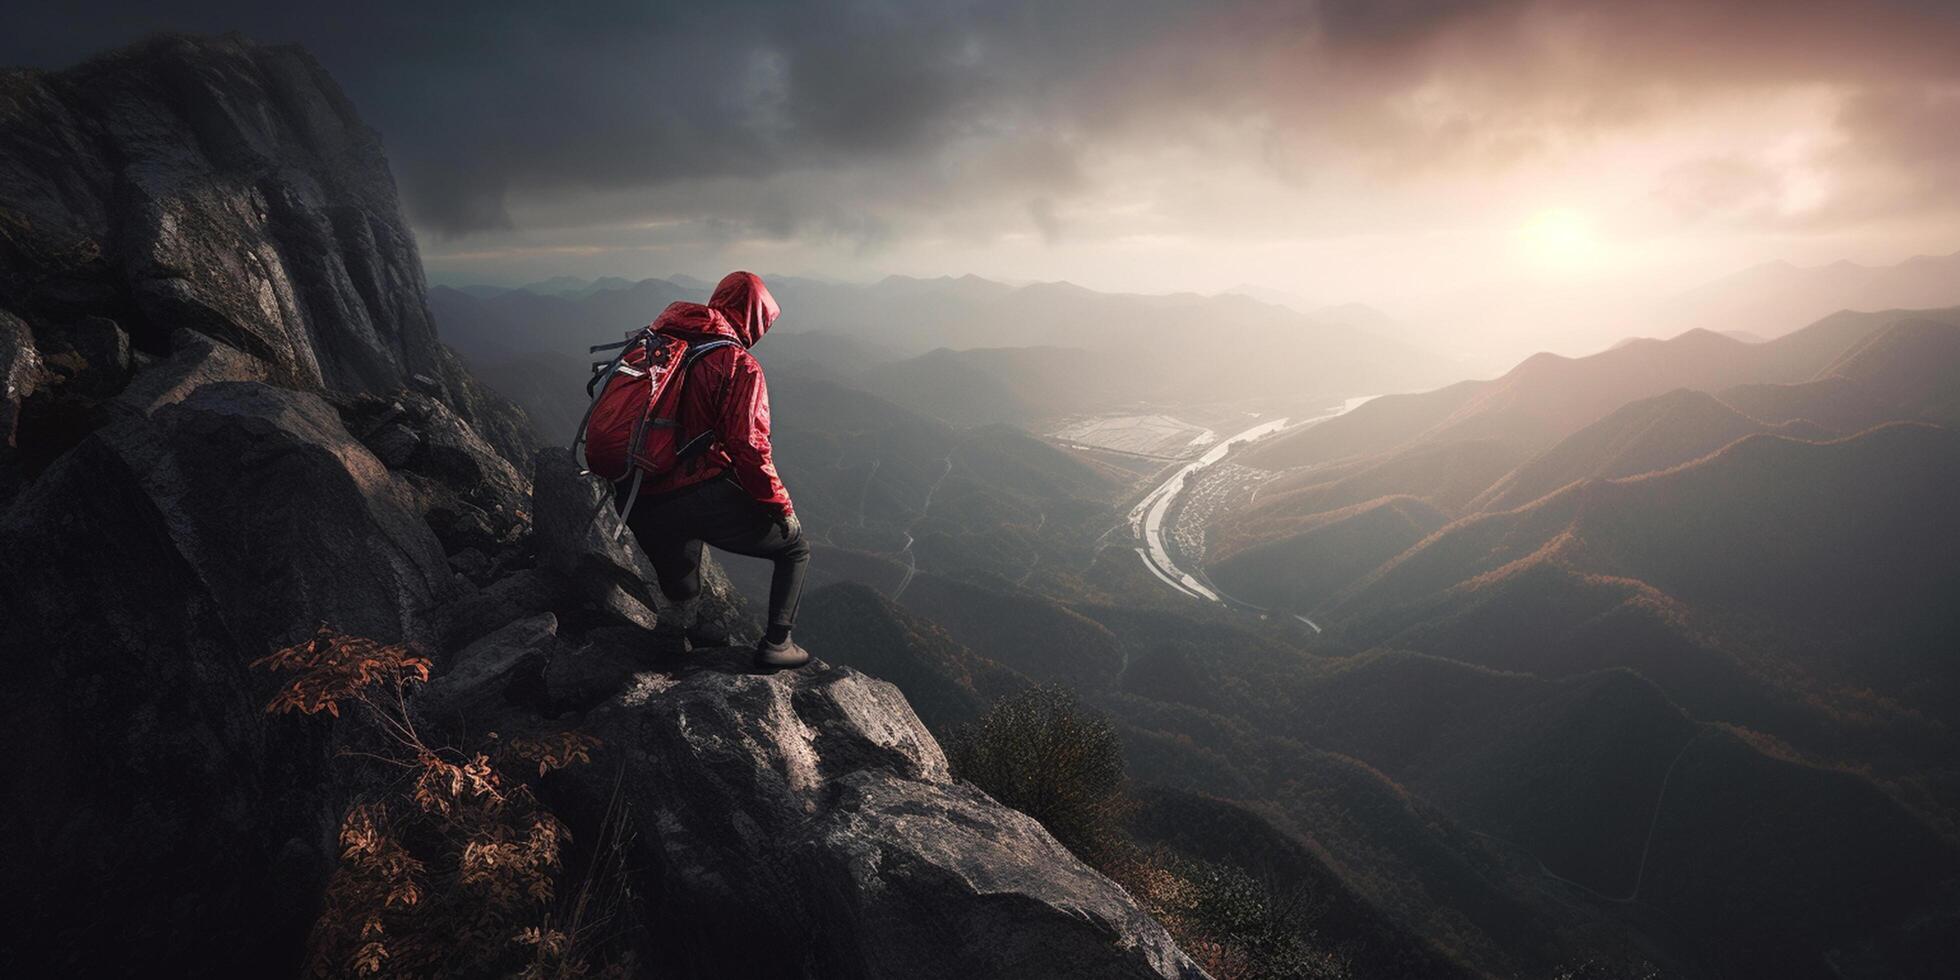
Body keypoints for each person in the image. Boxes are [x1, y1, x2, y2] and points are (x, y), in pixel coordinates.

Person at [618, 271, 811, 668]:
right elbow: (749, 446)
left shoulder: (657, 341)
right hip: (695, 496)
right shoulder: (736, 363)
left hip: (636, 491)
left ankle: (673, 636)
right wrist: (781, 506)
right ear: (754, 318)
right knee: (795, 549)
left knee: (681, 555)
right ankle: (778, 644)